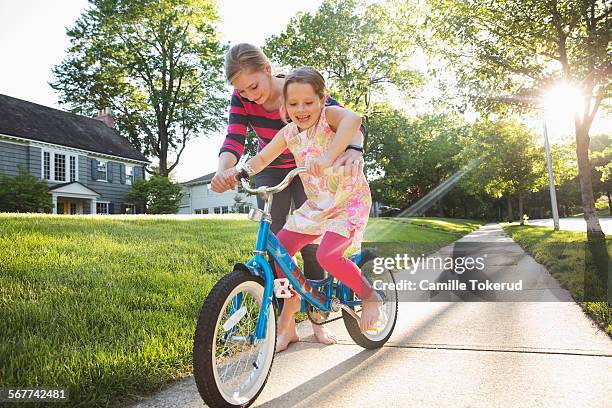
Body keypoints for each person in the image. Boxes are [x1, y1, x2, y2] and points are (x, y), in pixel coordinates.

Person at [211, 43, 366, 346]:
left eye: (254, 86)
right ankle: (287, 321)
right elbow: (234, 137)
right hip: (270, 165)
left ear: (268, 70)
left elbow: (347, 120)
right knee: (278, 247)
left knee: (313, 243)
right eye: (243, 92)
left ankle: (318, 319)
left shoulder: (297, 92)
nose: (251, 95)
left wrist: (352, 150)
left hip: (309, 167)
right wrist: (225, 171)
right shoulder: (242, 96)